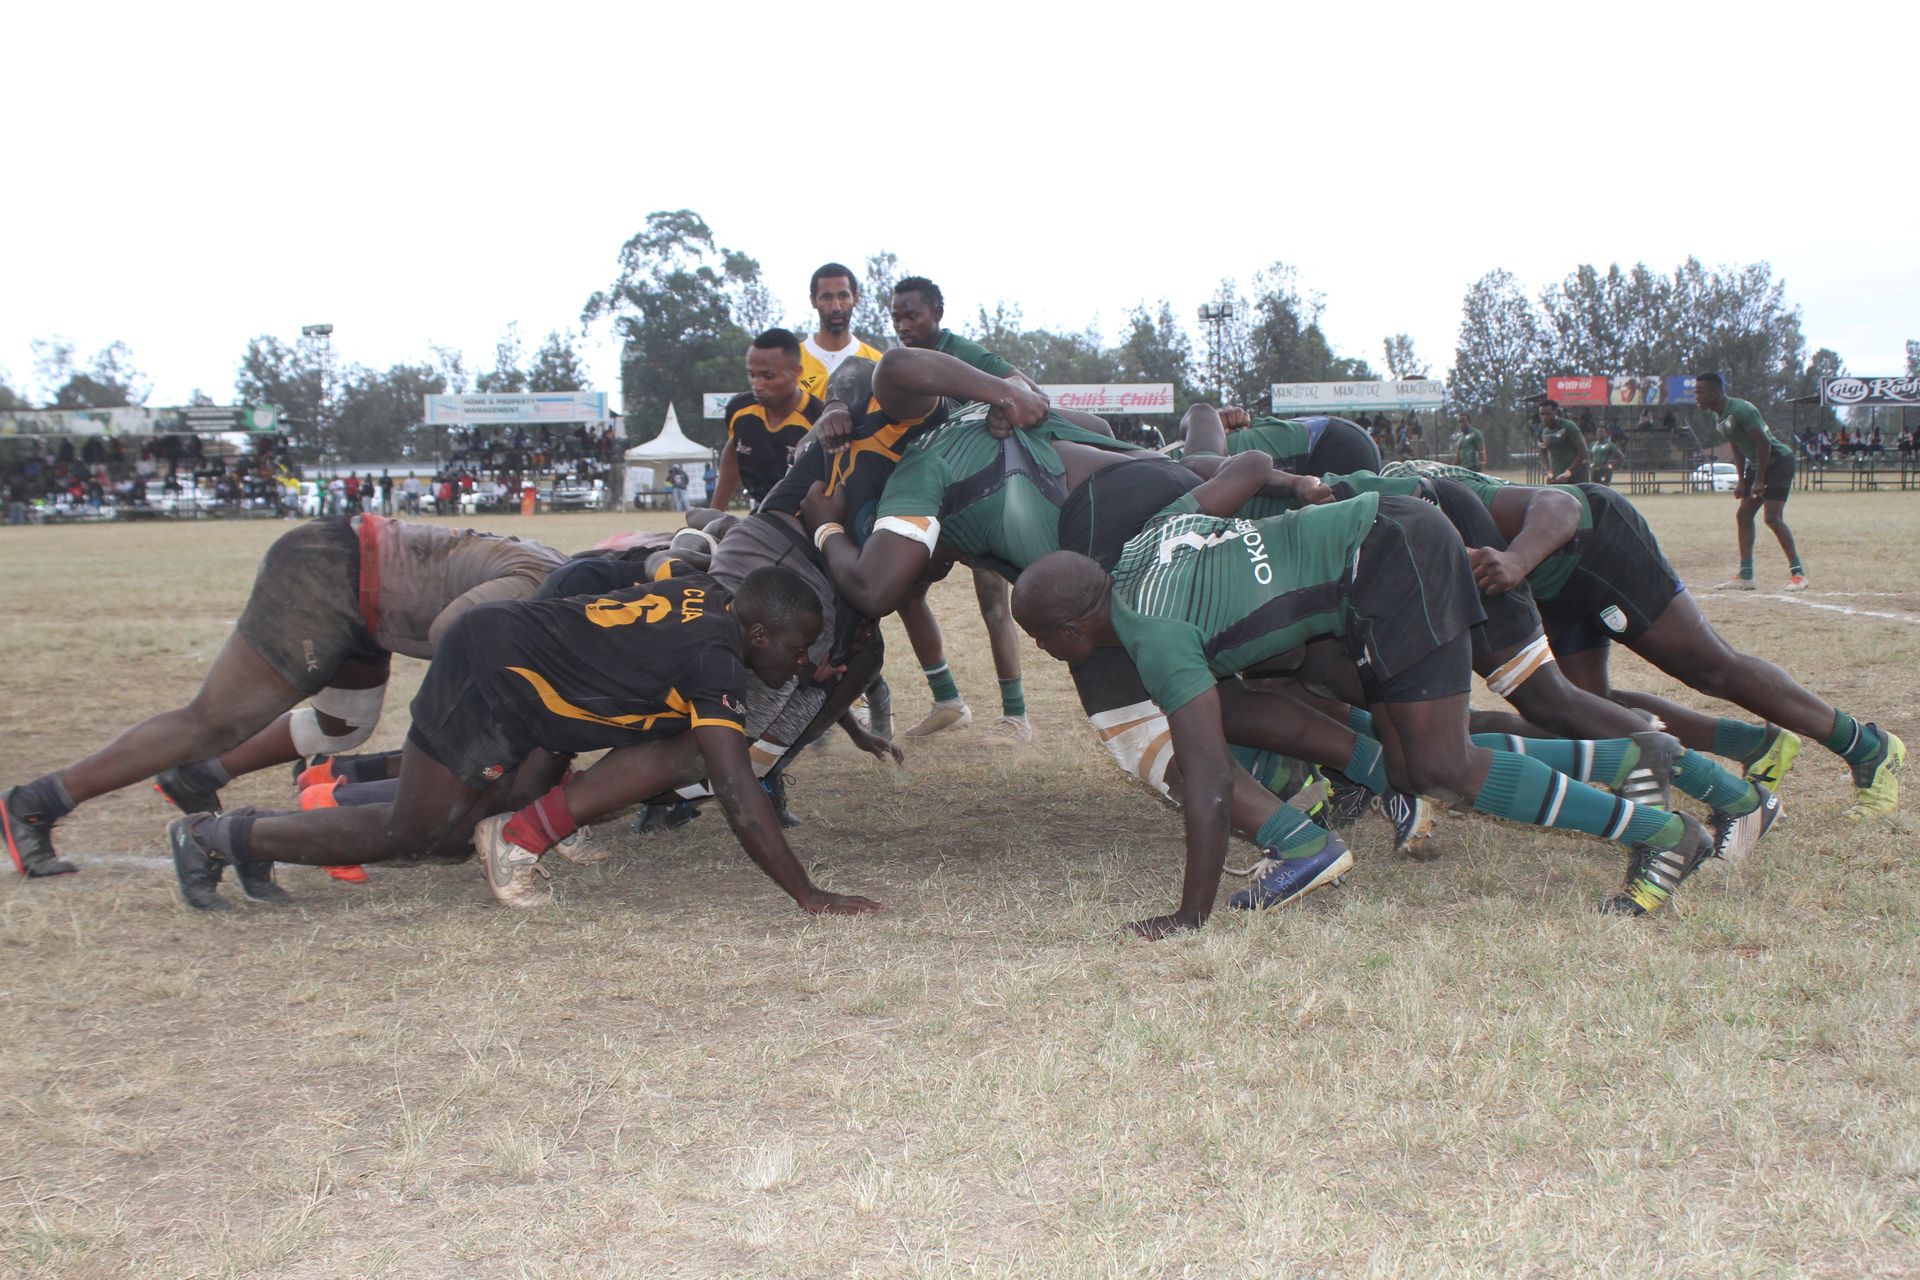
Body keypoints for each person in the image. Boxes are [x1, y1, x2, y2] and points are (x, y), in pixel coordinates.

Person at [1010, 495, 1711, 938]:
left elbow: (1210, 779)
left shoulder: (1153, 635)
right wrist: (1299, 489)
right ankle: (1625, 760)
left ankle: (1665, 833)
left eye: (1043, 644)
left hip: (1386, 560)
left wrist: (1190, 916)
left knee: (1441, 766)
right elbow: (1237, 477)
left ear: (1071, 633)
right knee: (1408, 767)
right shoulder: (1141, 550)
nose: (1048, 656)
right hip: (1384, 537)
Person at [165, 569, 885, 920]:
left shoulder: (712, 594)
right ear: (758, 633)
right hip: (494, 679)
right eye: (796, 645)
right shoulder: (719, 665)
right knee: (416, 833)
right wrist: (808, 895)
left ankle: (259, 832)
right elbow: (737, 792)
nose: (800, 660)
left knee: (677, 745)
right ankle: (214, 836)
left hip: (522, 672)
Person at [2, 516, 567, 885]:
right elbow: (455, 634)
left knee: (344, 724)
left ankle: (201, 776)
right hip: (331, 576)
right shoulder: (547, 580)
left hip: (367, 598)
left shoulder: (566, 573)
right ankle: (37, 800)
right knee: (213, 720)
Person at [1370, 460, 1902, 822]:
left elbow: (1559, 505)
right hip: (1544, 582)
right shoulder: (1383, 514)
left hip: (1594, 544)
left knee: (1709, 666)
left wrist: (1513, 560)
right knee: (1581, 711)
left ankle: (1866, 747)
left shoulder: (1421, 499)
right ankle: (1752, 743)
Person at [887, 276, 1042, 739]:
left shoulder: (959, 350)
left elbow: (1020, 382)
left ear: (936, 312)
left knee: (994, 601)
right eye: (896, 317)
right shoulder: (906, 364)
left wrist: (1001, 407)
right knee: (905, 594)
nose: (903, 324)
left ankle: (1016, 716)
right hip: (936, 497)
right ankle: (948, 700)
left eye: (911, 314)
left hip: (978, 496)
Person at [1696, 372, 1805, 591]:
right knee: (1744, 515)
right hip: (1758, 466)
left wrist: (1759, 479)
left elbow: (1764, 444)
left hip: (1778, 462)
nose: (1696, 396)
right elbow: (1736, 444)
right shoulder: (1720, 417)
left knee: (1772, 518)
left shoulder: (1740, 411)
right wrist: (1742, 481)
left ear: (1717, 392)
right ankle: (1746, 576)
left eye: (1700, 391)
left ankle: (1798, 574)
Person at [710, 329, 824, 512]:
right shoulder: (739, 410)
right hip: (763, 511)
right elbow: (733, 450)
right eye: (752, 375)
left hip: (806, 516)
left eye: (768, 376)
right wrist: (715, 511)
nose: (758, 386)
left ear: (797, 372)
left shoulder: (818, 419)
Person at [798, 262, 885, 401]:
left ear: (856, 298)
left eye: (843, 296)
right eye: (826, 297)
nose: (836, 307)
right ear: (813, 301)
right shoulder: (792, 364)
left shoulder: (876, 363)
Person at [1537, 402, 1590, 483]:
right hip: (1557, 474)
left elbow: (1583, 452)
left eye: (1547, 414)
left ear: (1556, 412)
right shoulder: (1541, 429)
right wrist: (1549, 472)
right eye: (1541, 414)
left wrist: (1568, 473)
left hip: (1577, 474)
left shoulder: (1568, 426)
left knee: (1578, 495)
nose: (1544, 417)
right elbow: (1543, 452)